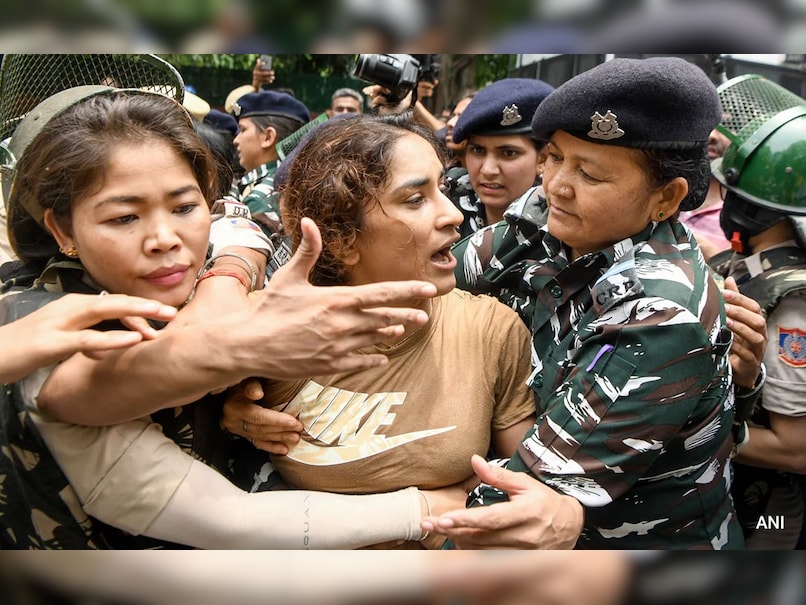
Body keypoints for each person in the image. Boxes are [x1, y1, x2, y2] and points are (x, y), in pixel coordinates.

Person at [1, 85, 453, 549]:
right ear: (61, 228)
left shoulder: (197, 264)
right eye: (123, 218)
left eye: (183, 207)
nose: (164, 237)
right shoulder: (28, 314)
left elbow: (238, 224)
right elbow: (230, 520)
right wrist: (429, 510)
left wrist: (227, 283)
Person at [422, 57, 743, 549]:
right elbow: (422, 280)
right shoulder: (546, 222)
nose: (556, 186)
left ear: (667, 198)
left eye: (590, 174)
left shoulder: (660, 316)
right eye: (553, 157)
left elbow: (512, 510)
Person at [218, 115, 537, 545]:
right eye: (415, 199)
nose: (454, 214)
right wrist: (224, 407)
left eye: (442, 188)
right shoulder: (266, 331)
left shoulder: (491, 330)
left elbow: (526, 493)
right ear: (342, 239)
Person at [709, 73, 806, 549]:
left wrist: (690, 435)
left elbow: (796, 449)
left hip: (767, 515)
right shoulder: (744, 266)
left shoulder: (791, 303)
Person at [449, 78, 554, 238]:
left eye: (508, 153)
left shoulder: (557, 232)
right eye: (478, 150)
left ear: (542, 160)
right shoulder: (448, 204)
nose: (488, 170)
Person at [230, 90, 311, 236]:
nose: (236, 140)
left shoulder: (258, 199)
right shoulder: (294, 180)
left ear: (268, 137)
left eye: (243, 130)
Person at [677, 122, 733, 259]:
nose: (712, 135)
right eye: (709, 124)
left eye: (728, 126)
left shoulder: (742, 216)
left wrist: (717, 260)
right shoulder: (666, 187)